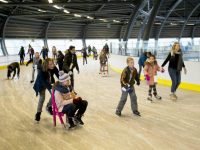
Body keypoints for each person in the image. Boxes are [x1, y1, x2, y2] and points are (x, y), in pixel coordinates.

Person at [33, 58, 59, 122]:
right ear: (46, 65)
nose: (52, 65)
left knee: (55, 95)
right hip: (41, 84)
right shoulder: (42, 69)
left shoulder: (54, 68)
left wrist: (63, 81)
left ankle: (48, 107)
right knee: (42, 98)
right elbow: (43, 80)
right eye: (50, 64)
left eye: (52, 64)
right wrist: (50, 87)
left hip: (50, 82)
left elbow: (58, 75)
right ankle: (38, 113)